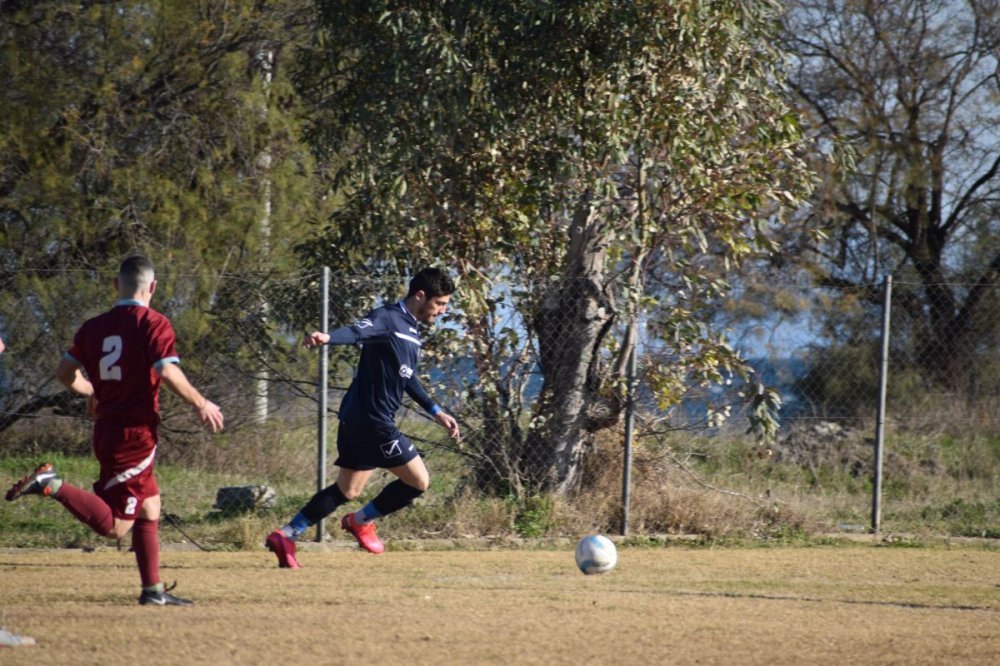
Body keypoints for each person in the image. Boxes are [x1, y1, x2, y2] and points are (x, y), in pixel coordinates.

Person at [5, 255, 224, 606]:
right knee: (117, 526)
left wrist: (93, 390)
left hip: (108, 429)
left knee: (151, 506)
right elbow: (166, 372)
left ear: (114, 285)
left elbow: (65, 373)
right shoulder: (154, 324)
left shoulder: (93, 327)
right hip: (133, 435)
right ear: (152, 287)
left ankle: (152, 591)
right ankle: (53, 484)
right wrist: (201, 403)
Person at [266, 267, 460, 568]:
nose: (443, 311)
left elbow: (406, 378)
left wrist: (436, 411)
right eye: (440, 303)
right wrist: (328, 337)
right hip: (374, 423)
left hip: (355, 420)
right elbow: (357, 331)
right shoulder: (388, 318)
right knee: (419, 481)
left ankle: (287, 534)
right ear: (420, 296)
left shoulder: (410, 332)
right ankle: (360, 522)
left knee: (348, 489)